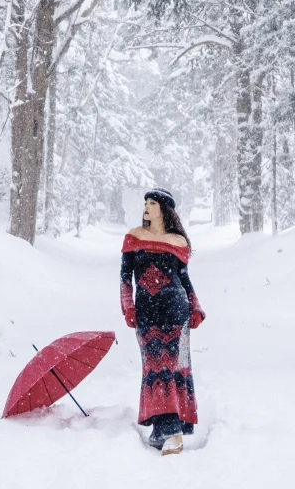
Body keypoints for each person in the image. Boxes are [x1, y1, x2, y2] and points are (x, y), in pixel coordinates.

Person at [119, 188, 205, 456]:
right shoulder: (135, 237)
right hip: (146, 313)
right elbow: (124, 278)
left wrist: (195, 306)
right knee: (154, 369)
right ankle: (161, 430)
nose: (146, 206)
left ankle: (172, 433)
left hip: (175, 311)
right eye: (145, 202)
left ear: (164, 209)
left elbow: (185, 278)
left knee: (174, 368)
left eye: (152, 202)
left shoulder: (177, 241)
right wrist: (128, 307)